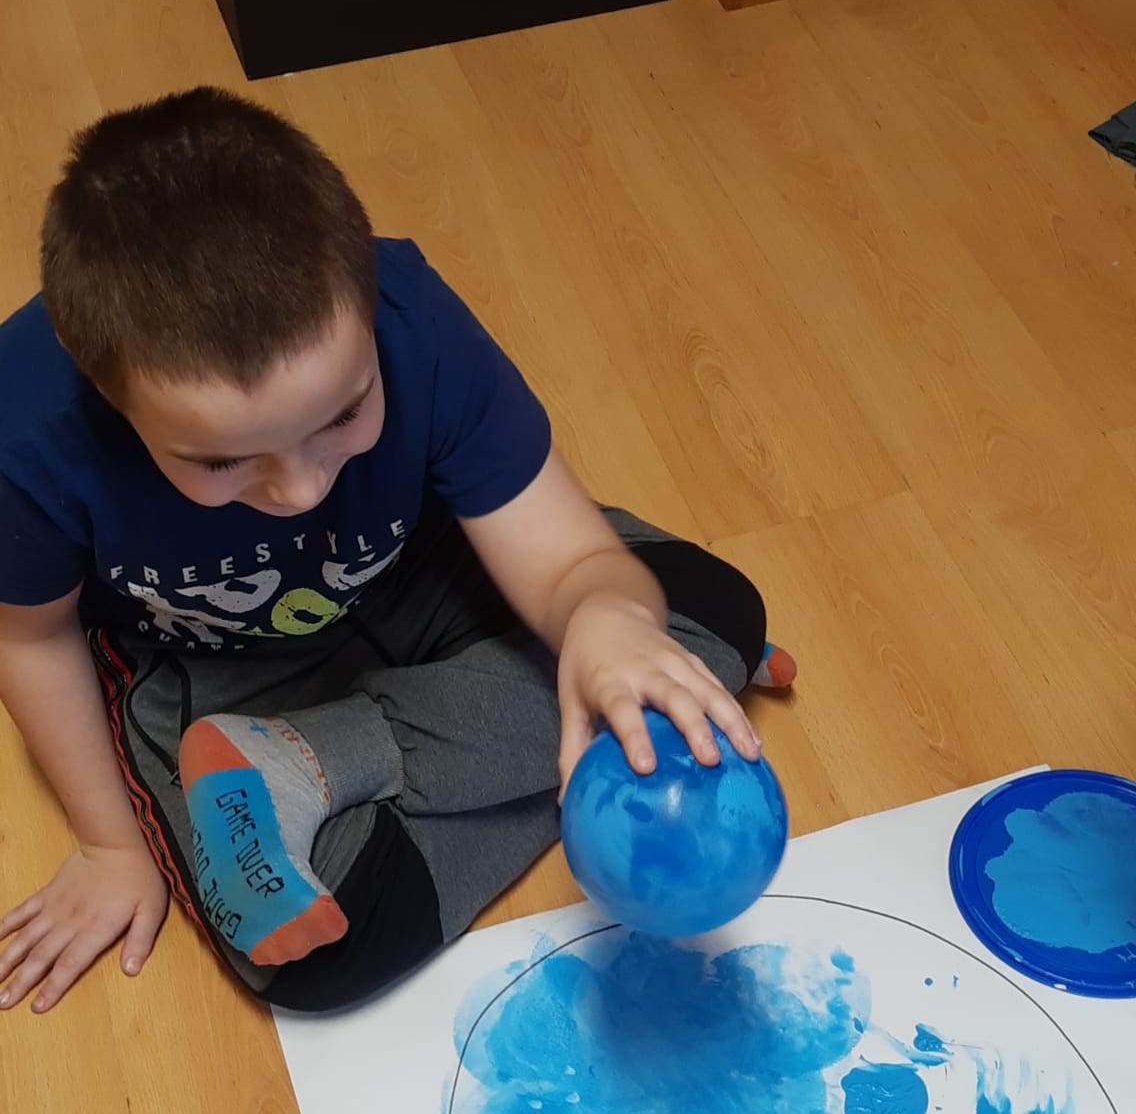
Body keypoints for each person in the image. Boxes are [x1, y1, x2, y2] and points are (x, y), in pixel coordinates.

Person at [0, 87, 795, 1016]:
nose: (302, 490)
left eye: (343, 415)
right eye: (221, 461)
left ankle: (324, 759)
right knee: (319, 957)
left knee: (713, 611)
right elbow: (30, 638)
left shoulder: (413, 318)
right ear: (100, 385)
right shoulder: (28, 427)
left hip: (428, 574)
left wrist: (607, 620)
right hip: (215, 664)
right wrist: (110, 848)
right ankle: (386, 746)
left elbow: (568, 563)